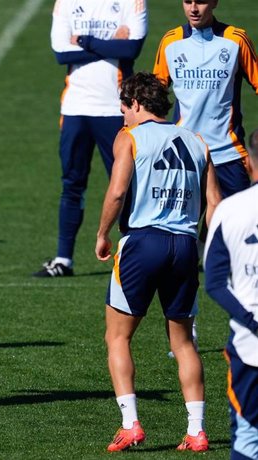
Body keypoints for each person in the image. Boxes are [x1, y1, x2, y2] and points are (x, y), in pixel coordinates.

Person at [95, 72, 222, 452]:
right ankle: (197, 430)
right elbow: (214, 202)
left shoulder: (129, 137)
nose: (122, 115)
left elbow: (118, 192)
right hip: (185, 245)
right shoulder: (198, 141)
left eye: (123, 108)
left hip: (142, 242)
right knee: (183, 342)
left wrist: (102, 234)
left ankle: (130, 424)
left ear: (136, 104)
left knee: (118, 336)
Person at [35, 0, 147, 277]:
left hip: (116, 109)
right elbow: (61, 53)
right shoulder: (66, 3)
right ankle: (64, 260)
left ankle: (132, 252)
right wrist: (109, 43)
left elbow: (131, 49)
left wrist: (84, 41)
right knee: (72, 183)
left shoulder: (133, 2)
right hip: (75, 109)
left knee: (125, 184)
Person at [153, 0, 257, 199]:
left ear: (214, 2)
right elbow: (153, 97)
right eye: (187, 2)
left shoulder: (236, 40)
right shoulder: (170, 42)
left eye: (200, 2)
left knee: (232, 227)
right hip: (184, 157)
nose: (193, 9)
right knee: (182, 229)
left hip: (229, 157)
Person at [204, 128, 258, 460]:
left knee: (247, 439)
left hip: (249, 347)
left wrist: (251, 320)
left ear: (249, 162)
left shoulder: (229, 210)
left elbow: (214, 282)